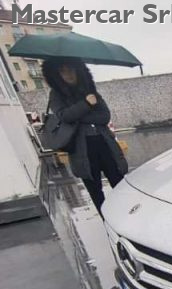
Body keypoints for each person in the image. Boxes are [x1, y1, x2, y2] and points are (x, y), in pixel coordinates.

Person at [42, 59, 128, 216]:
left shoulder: (90, 90)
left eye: (71, 69)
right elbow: (65, 116)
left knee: (119, 183)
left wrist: (79, 116)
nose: (68, 74)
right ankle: (107, 220)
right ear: (57, 74)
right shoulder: (56, 95)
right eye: (63, 71)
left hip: (104, 143)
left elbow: (104, 116)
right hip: (81, 149)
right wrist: (87, 104)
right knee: (96, 191)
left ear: (78, 70)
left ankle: (128, 216)